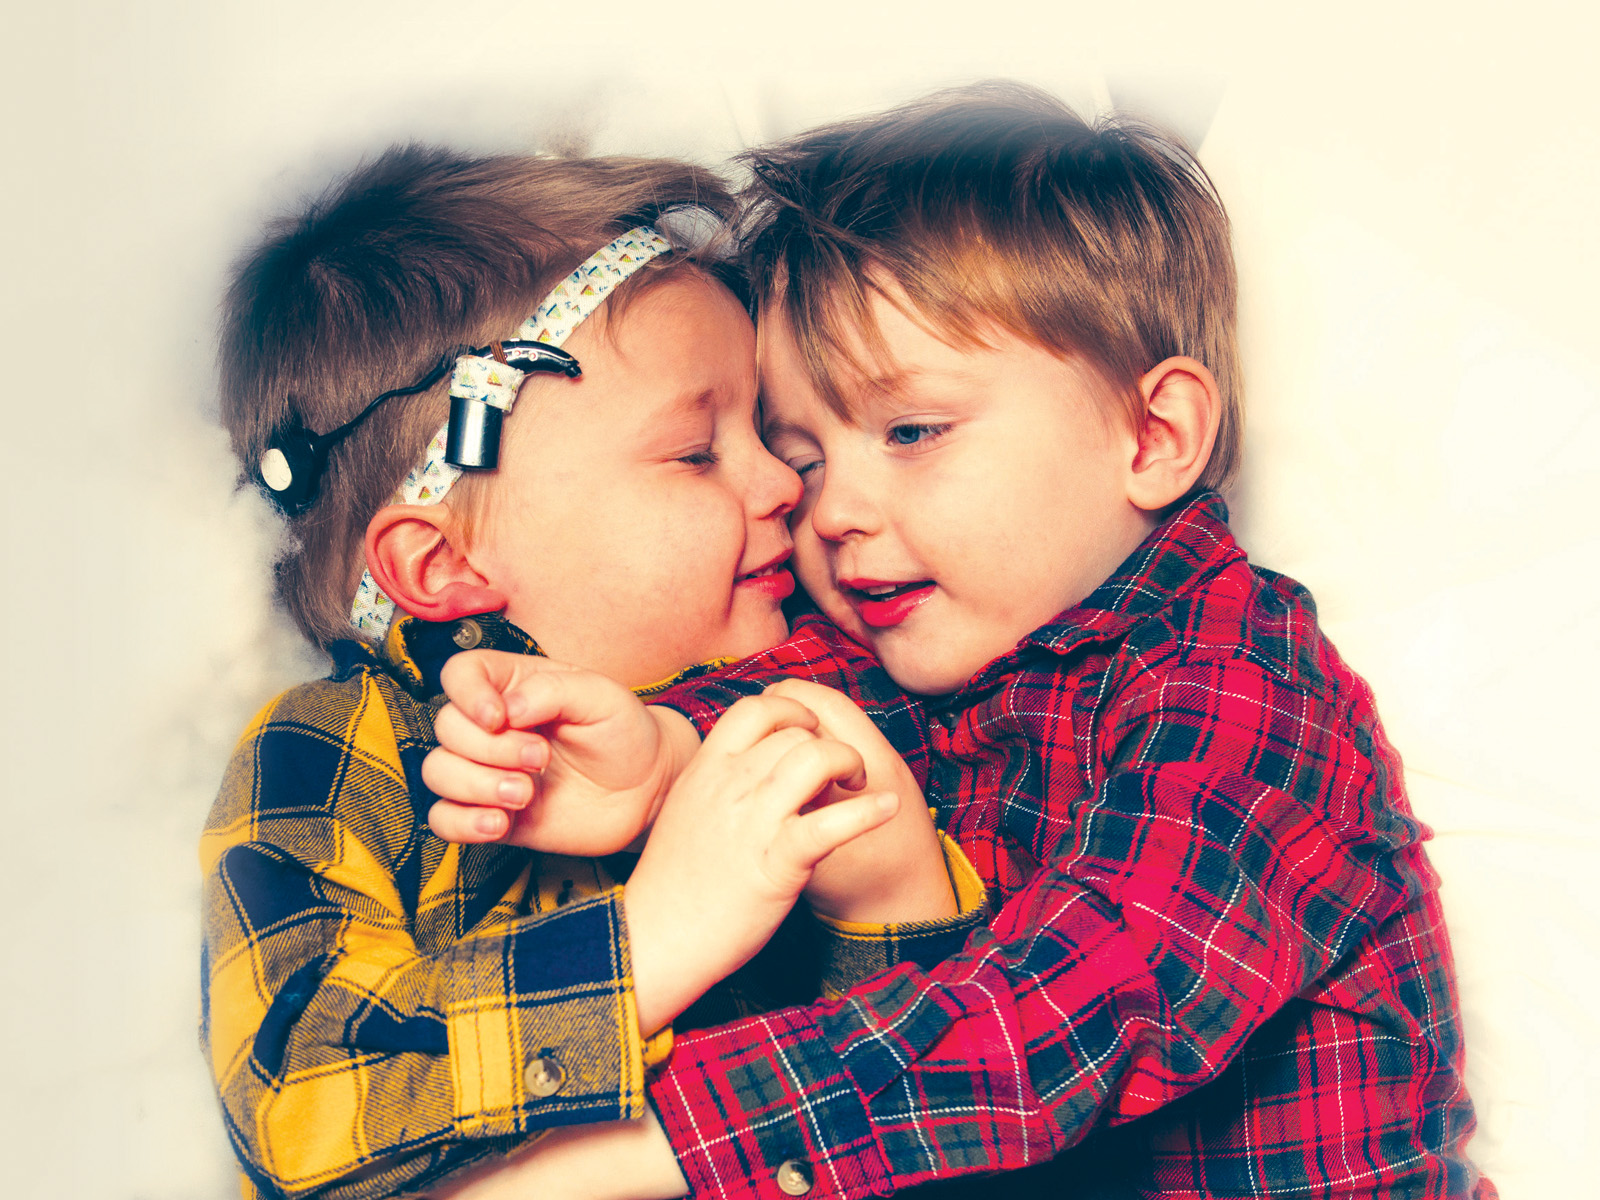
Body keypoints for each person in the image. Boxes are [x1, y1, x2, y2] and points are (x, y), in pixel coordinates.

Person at [424, 83, 1494, 1198]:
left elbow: (1065, 1014)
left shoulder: (1241, 683)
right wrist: (656, 758)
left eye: (910, 431)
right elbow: (779, 717)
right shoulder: (903, 649)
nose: (830, 510)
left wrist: (633, 1156)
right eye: (806, 454)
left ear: (1153, 434)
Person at [200, 145, 981, 1200]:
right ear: (444, 564)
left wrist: (890, 898)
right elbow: (301, 1092)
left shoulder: (834, 699)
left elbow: (941, 1103)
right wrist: (659, 931)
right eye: (697, 451)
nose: (783, 487)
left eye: (773, 439)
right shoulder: (345, 742)